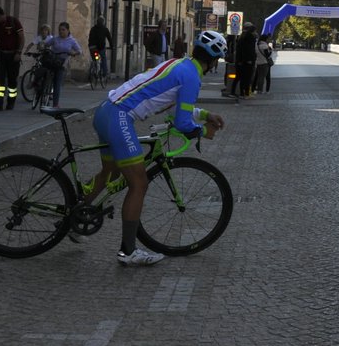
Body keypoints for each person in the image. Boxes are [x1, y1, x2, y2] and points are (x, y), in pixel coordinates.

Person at [77, 29, 228, 266]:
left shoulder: (179, 65)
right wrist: (202, 131)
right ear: (213, 60)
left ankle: (73, 219)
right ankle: (128, 252)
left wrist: (206, 114)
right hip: (120, 117)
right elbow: (181, 122)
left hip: (107, 110)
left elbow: (170, 106)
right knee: (139, 183)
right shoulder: (192, 76)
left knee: (110, 172)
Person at [0, 5, 25, 110]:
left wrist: (19, 52)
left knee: (12, 81)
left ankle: (11, 102)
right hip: (1, 55)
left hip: (13, 55)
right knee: (0, 80)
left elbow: (22, 38)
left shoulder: (13, 21)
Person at [43, 21, 82, 108]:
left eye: (63, 30)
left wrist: (73, 53)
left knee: (57, 83)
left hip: (61, 63)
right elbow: (46, 44)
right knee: (44, 74)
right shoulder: (55, 39)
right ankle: (38, 88)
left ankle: (55, 104)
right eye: (60, 30)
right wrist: (43, 47)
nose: (61, 32)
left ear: (68, 30)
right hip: (52, 60)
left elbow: (79, 51)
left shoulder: (72, 41)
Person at [234, 30, 258, 97]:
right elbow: (249, 52)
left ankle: (243, 93)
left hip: (241, 63)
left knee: (241, 78)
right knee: (247, 78)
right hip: (247, 63)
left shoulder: (240, 42)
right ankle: (246, 93)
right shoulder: (248, 43)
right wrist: (249, 60)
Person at [88, 16, 111, 81]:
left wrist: (90, 45)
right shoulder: (105, 29)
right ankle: (104, 73)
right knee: (103, 59)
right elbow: (109, 39)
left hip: (92, 47)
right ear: (103, 22)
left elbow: (89, 38)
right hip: (101, 48)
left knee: (95, 58)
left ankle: (94, 70)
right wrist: (112, 46)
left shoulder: (92, 29)